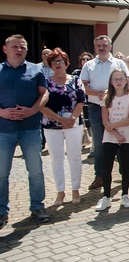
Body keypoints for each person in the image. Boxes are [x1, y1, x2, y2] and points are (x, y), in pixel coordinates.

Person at [0, 34, 50, 227]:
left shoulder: (35, 70)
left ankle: (37, 207)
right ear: (5, 49)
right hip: (4, 129)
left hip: (30, 128)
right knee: (2, 173)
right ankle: (1, 211)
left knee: (35, 171)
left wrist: (33, 110)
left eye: (22, 47)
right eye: (14, 47)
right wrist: (2, 112)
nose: (19, 50)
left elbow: (44, 93)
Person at [81, 35, 129, 190]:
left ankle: (125, 176)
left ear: (110, 46)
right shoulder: (89, 65)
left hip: (118, 106)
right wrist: (97, 93)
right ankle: (100, 176)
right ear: (95, 47)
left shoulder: (119, 63)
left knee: (122, 141)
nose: (102, 48)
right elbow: (83, 87)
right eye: (99, 45)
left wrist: (110, 93)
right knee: (100, 144)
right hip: (96, 107)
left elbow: (127, 81)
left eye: (104, 45)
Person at [40, 48, 86, 206]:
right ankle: (60, 191)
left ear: (66, 63)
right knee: (56, 159)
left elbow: (81, 101)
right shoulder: (45, 82)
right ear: (50, 65)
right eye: (54, 61)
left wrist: (72, 118)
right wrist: (59, 119)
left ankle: (75, 189)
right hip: (52, 125)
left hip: (73, 124)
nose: (58, 64)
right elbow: (41, 105)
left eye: (60, 61)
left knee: (74, 157)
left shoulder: (75, 80)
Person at [97, 69, 129, 211]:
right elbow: (105, 120)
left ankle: (125, 195)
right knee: (107, 167)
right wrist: (115, 134)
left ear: (126, 80)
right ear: (111, 82)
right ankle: (106, 197)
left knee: (126, 166)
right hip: (110, 138)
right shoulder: (107, 98)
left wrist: (114, 127)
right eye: (116, 79)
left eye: (121, 79)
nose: (119, 82)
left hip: (127, 137)